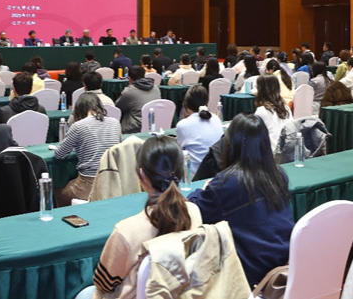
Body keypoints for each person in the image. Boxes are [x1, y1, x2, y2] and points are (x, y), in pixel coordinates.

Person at [188, 114, 294, 288]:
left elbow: (195, 210)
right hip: (285, 262)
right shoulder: (279, 174)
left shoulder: (228, 182)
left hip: (252, 274)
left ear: (231, 144)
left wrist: (203, 189)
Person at [90, 135, 202, 299]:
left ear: (141, 175)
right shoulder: (194, 212)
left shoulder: (127, 230)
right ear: (181, 171)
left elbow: (104, 284)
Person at [54, 93, 122, 206]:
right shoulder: (115, 122)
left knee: (57, 193)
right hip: (113, 182)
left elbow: (59, 155)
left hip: (88, 185)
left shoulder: (78, 126)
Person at [176, 86, 223, 176]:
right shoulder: (216, 118)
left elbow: (179, 152)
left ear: (186, 104)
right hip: (216, 170)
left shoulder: (183, 125)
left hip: (194, 174)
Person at [116, 66, 161, 134]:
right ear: (144, 76)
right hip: (154, 125)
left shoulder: (128, 91)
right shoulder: (156, 88)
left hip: (134, 128)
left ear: (129, 79)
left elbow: (118, 108)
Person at [252, 74, 292, 151]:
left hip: (270, 153)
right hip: (287, 151)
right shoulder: (286, 107)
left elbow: (255, 136)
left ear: (260, 90)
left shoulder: (261, 111)